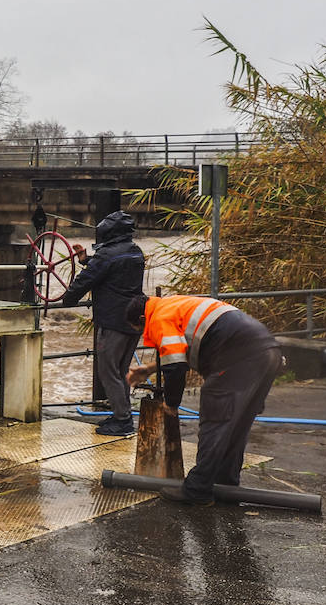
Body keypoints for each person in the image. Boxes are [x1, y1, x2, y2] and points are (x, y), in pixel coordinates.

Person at [125, 293, 285, 505]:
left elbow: (175, 365)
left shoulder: (158, 318)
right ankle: (226, 486)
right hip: (267, 354)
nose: (144, 335)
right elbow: (184, 350)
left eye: (140, 331)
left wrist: (171, 403)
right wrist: (148, 369)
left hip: (238, 358)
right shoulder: (173, 305)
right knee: (237, 426)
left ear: (142, 320)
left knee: (215, 422)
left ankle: (197, 489)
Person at [61, 210, 145, 436]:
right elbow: (112, 272)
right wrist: (87, 261)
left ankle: (122, 420)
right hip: (134, 321)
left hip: (113, 321)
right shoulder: (135, 252)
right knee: (121, 370)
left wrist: (67, 300)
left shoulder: (106, 255)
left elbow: (85, 282)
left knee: (108, 371)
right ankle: (122, 413)